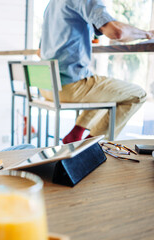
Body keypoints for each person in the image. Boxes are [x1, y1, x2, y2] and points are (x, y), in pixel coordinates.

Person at [39, 0, 154, 144]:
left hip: (48, 86)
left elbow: (39, 51)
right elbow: (117, 32)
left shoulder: (52, 4)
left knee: (105, 89)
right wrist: (148, 34)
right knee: (138, 95)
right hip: (70, 87)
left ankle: (76, 134)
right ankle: (90, 145)